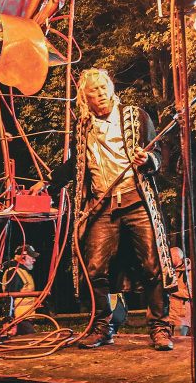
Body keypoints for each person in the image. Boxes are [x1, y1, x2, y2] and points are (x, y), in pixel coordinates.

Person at [34, 68, 175, 351]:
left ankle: (160, 328)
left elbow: (158, 155)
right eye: (92, 92)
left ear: (110, 88)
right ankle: (102, 327)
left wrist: (146, 159)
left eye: (102, 88)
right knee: (94, 267)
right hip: (102, 205)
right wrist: (51, 182)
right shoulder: (83, 126)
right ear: (85, 98)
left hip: (135, 200)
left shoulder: (136, 116)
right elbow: (77, 165)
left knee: (151, 265)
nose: (99, 94)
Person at [0, 245, 40, 336]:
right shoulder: (14, 272)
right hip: (19, 319)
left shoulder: (23, 272)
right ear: (23, 257)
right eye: (31, 257)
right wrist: (10, 321)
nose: (34, 260)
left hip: (24, 317)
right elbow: (9, 297)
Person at [168, 247, 192, 337]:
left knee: (180, 343)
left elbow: (190, 293)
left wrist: (172, 290)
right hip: (169, 315)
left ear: (177, 257)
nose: (168, 259)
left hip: (182, 316)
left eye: (170, 256)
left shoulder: (189, 272)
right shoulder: (170, 271)